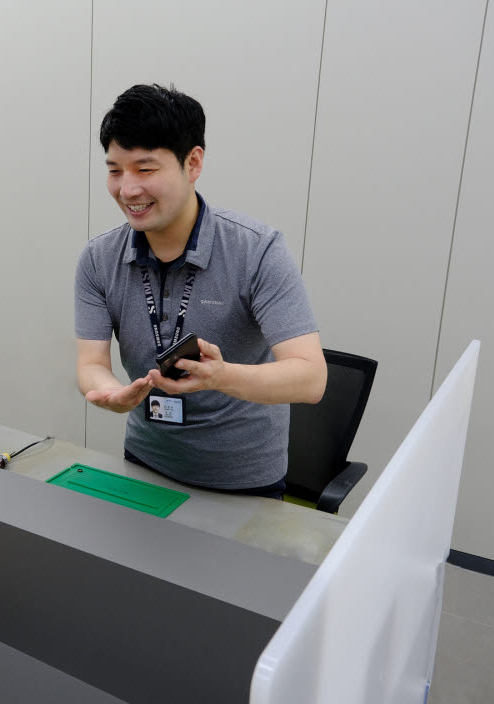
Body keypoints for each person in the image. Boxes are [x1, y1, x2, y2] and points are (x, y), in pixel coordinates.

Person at [75, 84, 327, 499]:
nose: (127, 189)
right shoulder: (98, 259)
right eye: (115, 170)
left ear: (193, 163)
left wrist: (222, 376)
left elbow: (310, 378)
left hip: (242, 480)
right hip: (145, 463)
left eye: (145, 169)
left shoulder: (256, 250)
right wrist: (109, 391)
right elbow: (91, 363)